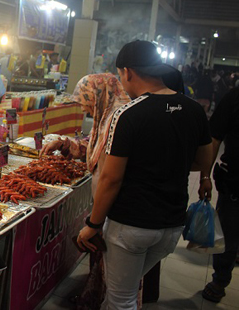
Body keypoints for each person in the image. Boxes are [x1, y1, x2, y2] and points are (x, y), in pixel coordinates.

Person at [77, 40, 213, 309]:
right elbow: (201, 162)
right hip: (171, 226)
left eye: (120, 74)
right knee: (121, 292)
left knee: (121, 300)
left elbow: (111, 178)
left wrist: (92, 225)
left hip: (132, 226)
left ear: (127, 72)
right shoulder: (194, 110)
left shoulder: (128, 114)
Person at [41, 74, 129, 309]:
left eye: (85, 99)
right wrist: (62, 143)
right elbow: (90, 144)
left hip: (116, 205)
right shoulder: (106, 117)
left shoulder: (119, 120)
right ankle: (95, 298)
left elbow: (112, 174)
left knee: (119, 279)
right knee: (102, 258)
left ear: (99, 94)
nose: (83, 107)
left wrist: (94, 222)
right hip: (106, 202)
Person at [202, 86, 239, 303]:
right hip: (235, 183)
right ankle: (220, 280)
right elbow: (214, 138)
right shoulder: (235, 97)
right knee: (228, 234)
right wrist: (205, 175)